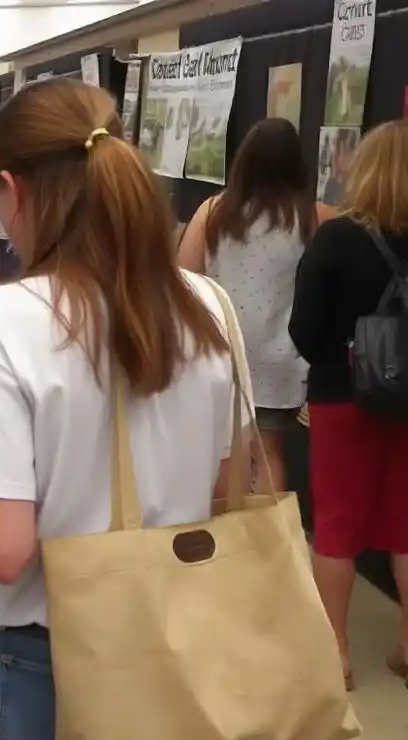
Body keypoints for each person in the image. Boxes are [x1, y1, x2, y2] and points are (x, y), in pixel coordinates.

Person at [0, 78, 246, 740]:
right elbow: (223, 487)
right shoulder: (207, 306)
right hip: (171, 640)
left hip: (42, 668)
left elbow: (4, 551)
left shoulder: (3, 322)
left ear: (11, 189)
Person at [290, 119, 408, 691]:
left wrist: (338, 358)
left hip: (342, 397)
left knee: (336, 525)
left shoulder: (335, 238)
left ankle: (335, 650)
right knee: (406, 526)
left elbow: (304, 330)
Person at [178, 118, 331, 492]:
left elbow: (181, 276)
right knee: (269, 451)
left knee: (222, 449)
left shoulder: (213, 212)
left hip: (222, 349)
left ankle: (227, 538)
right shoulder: (315, 216)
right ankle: (269, 540)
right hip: (281, 357)